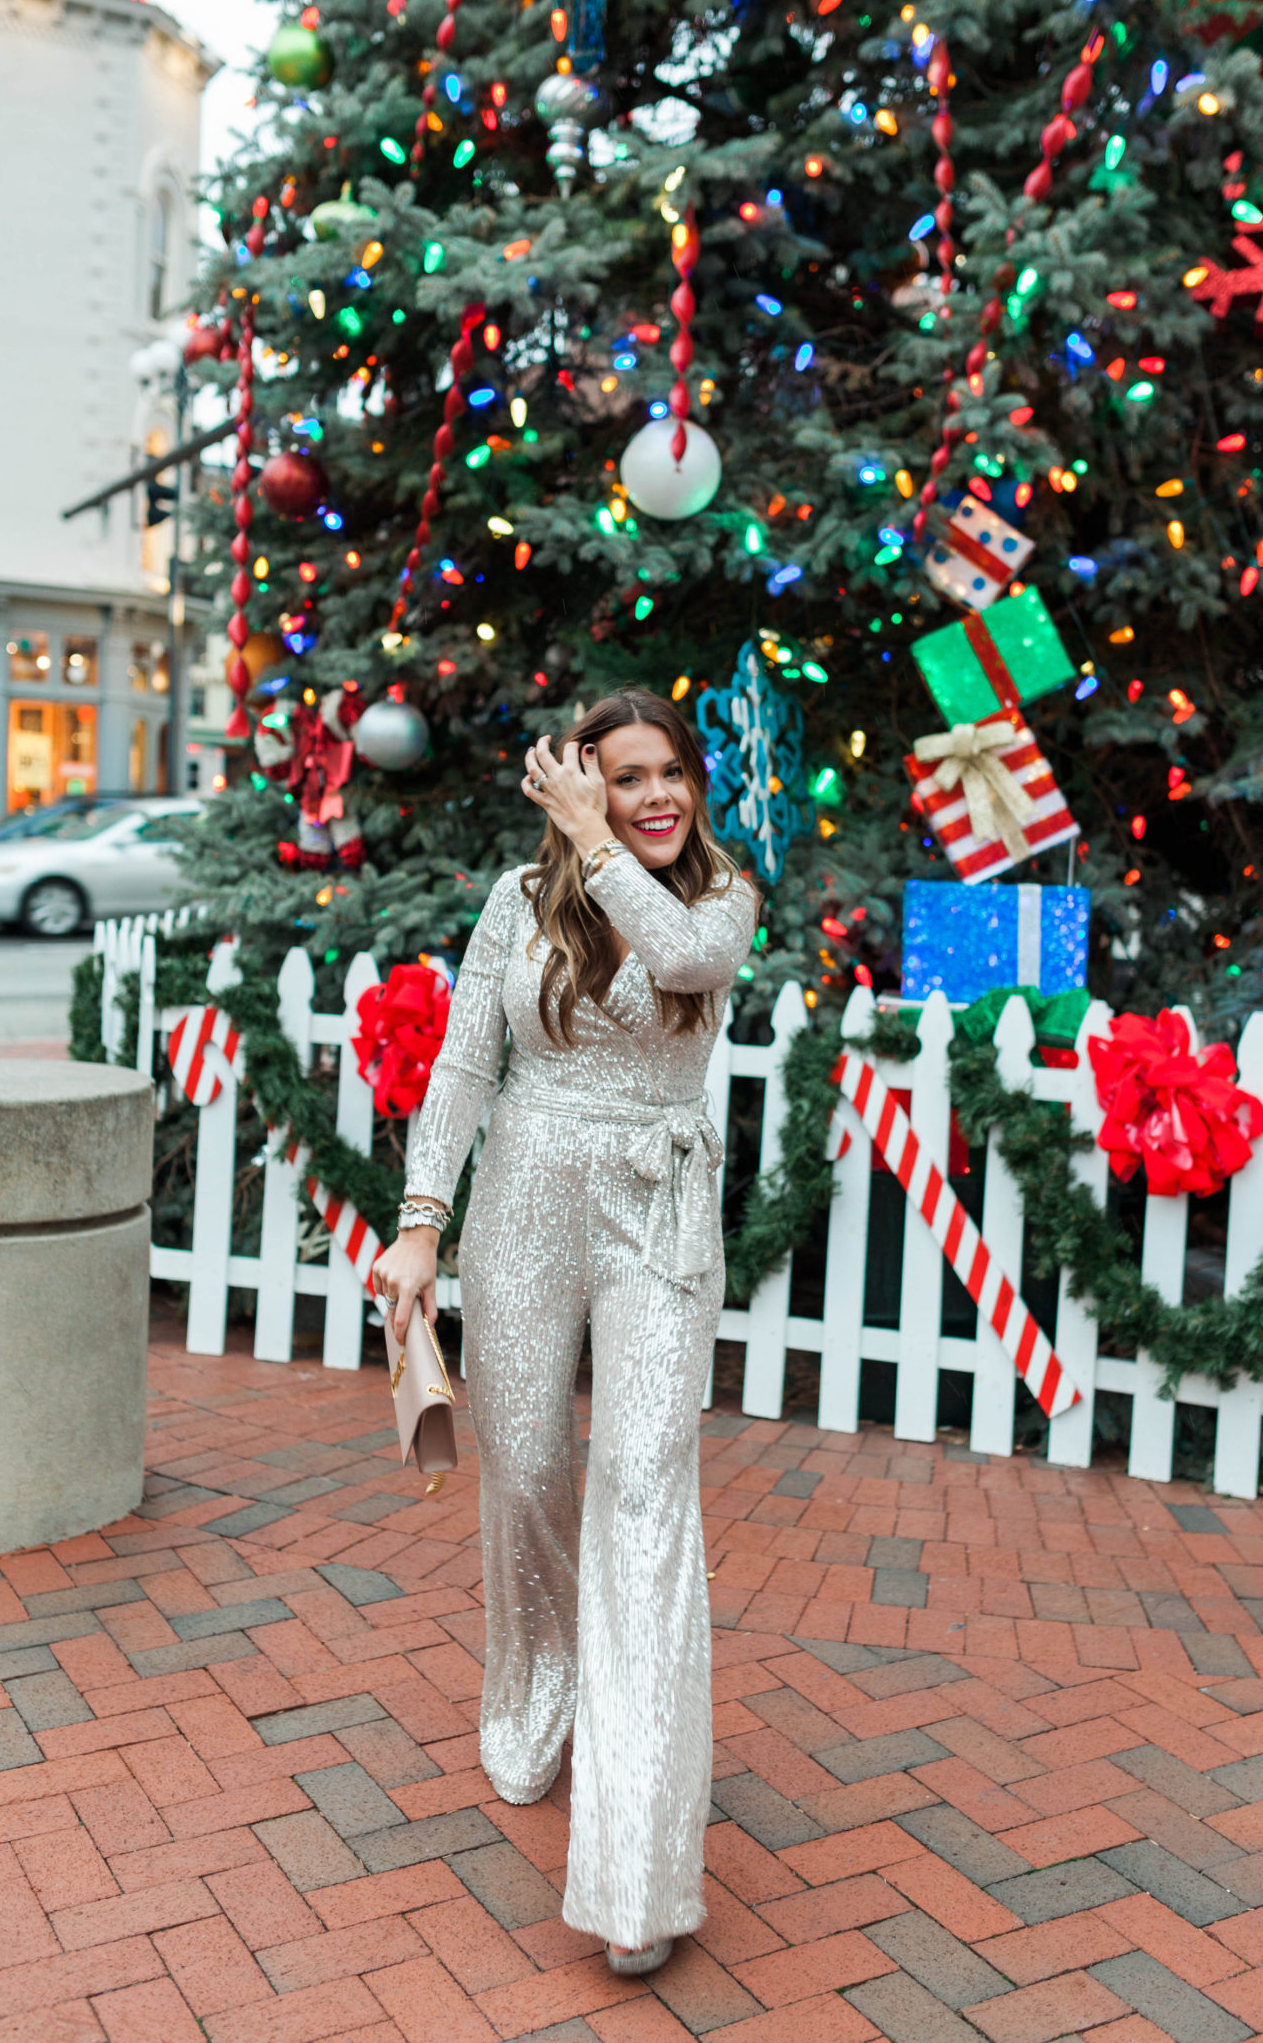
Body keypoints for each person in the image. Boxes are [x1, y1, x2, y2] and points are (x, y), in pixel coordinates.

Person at [371, 688, 755, 1975]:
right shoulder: (513, 905)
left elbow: (684, 964)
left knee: (643, 1492)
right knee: (528, 1471)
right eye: (620, 778)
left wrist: (595, 839)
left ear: (693, 785)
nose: (651, 799)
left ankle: (639, 1868)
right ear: (575, 785)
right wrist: (422, 1218)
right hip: (527, 1200)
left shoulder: (721, 899)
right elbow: (467, 1065)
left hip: (659, 1214)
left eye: (666, 778)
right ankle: (539, 1685)